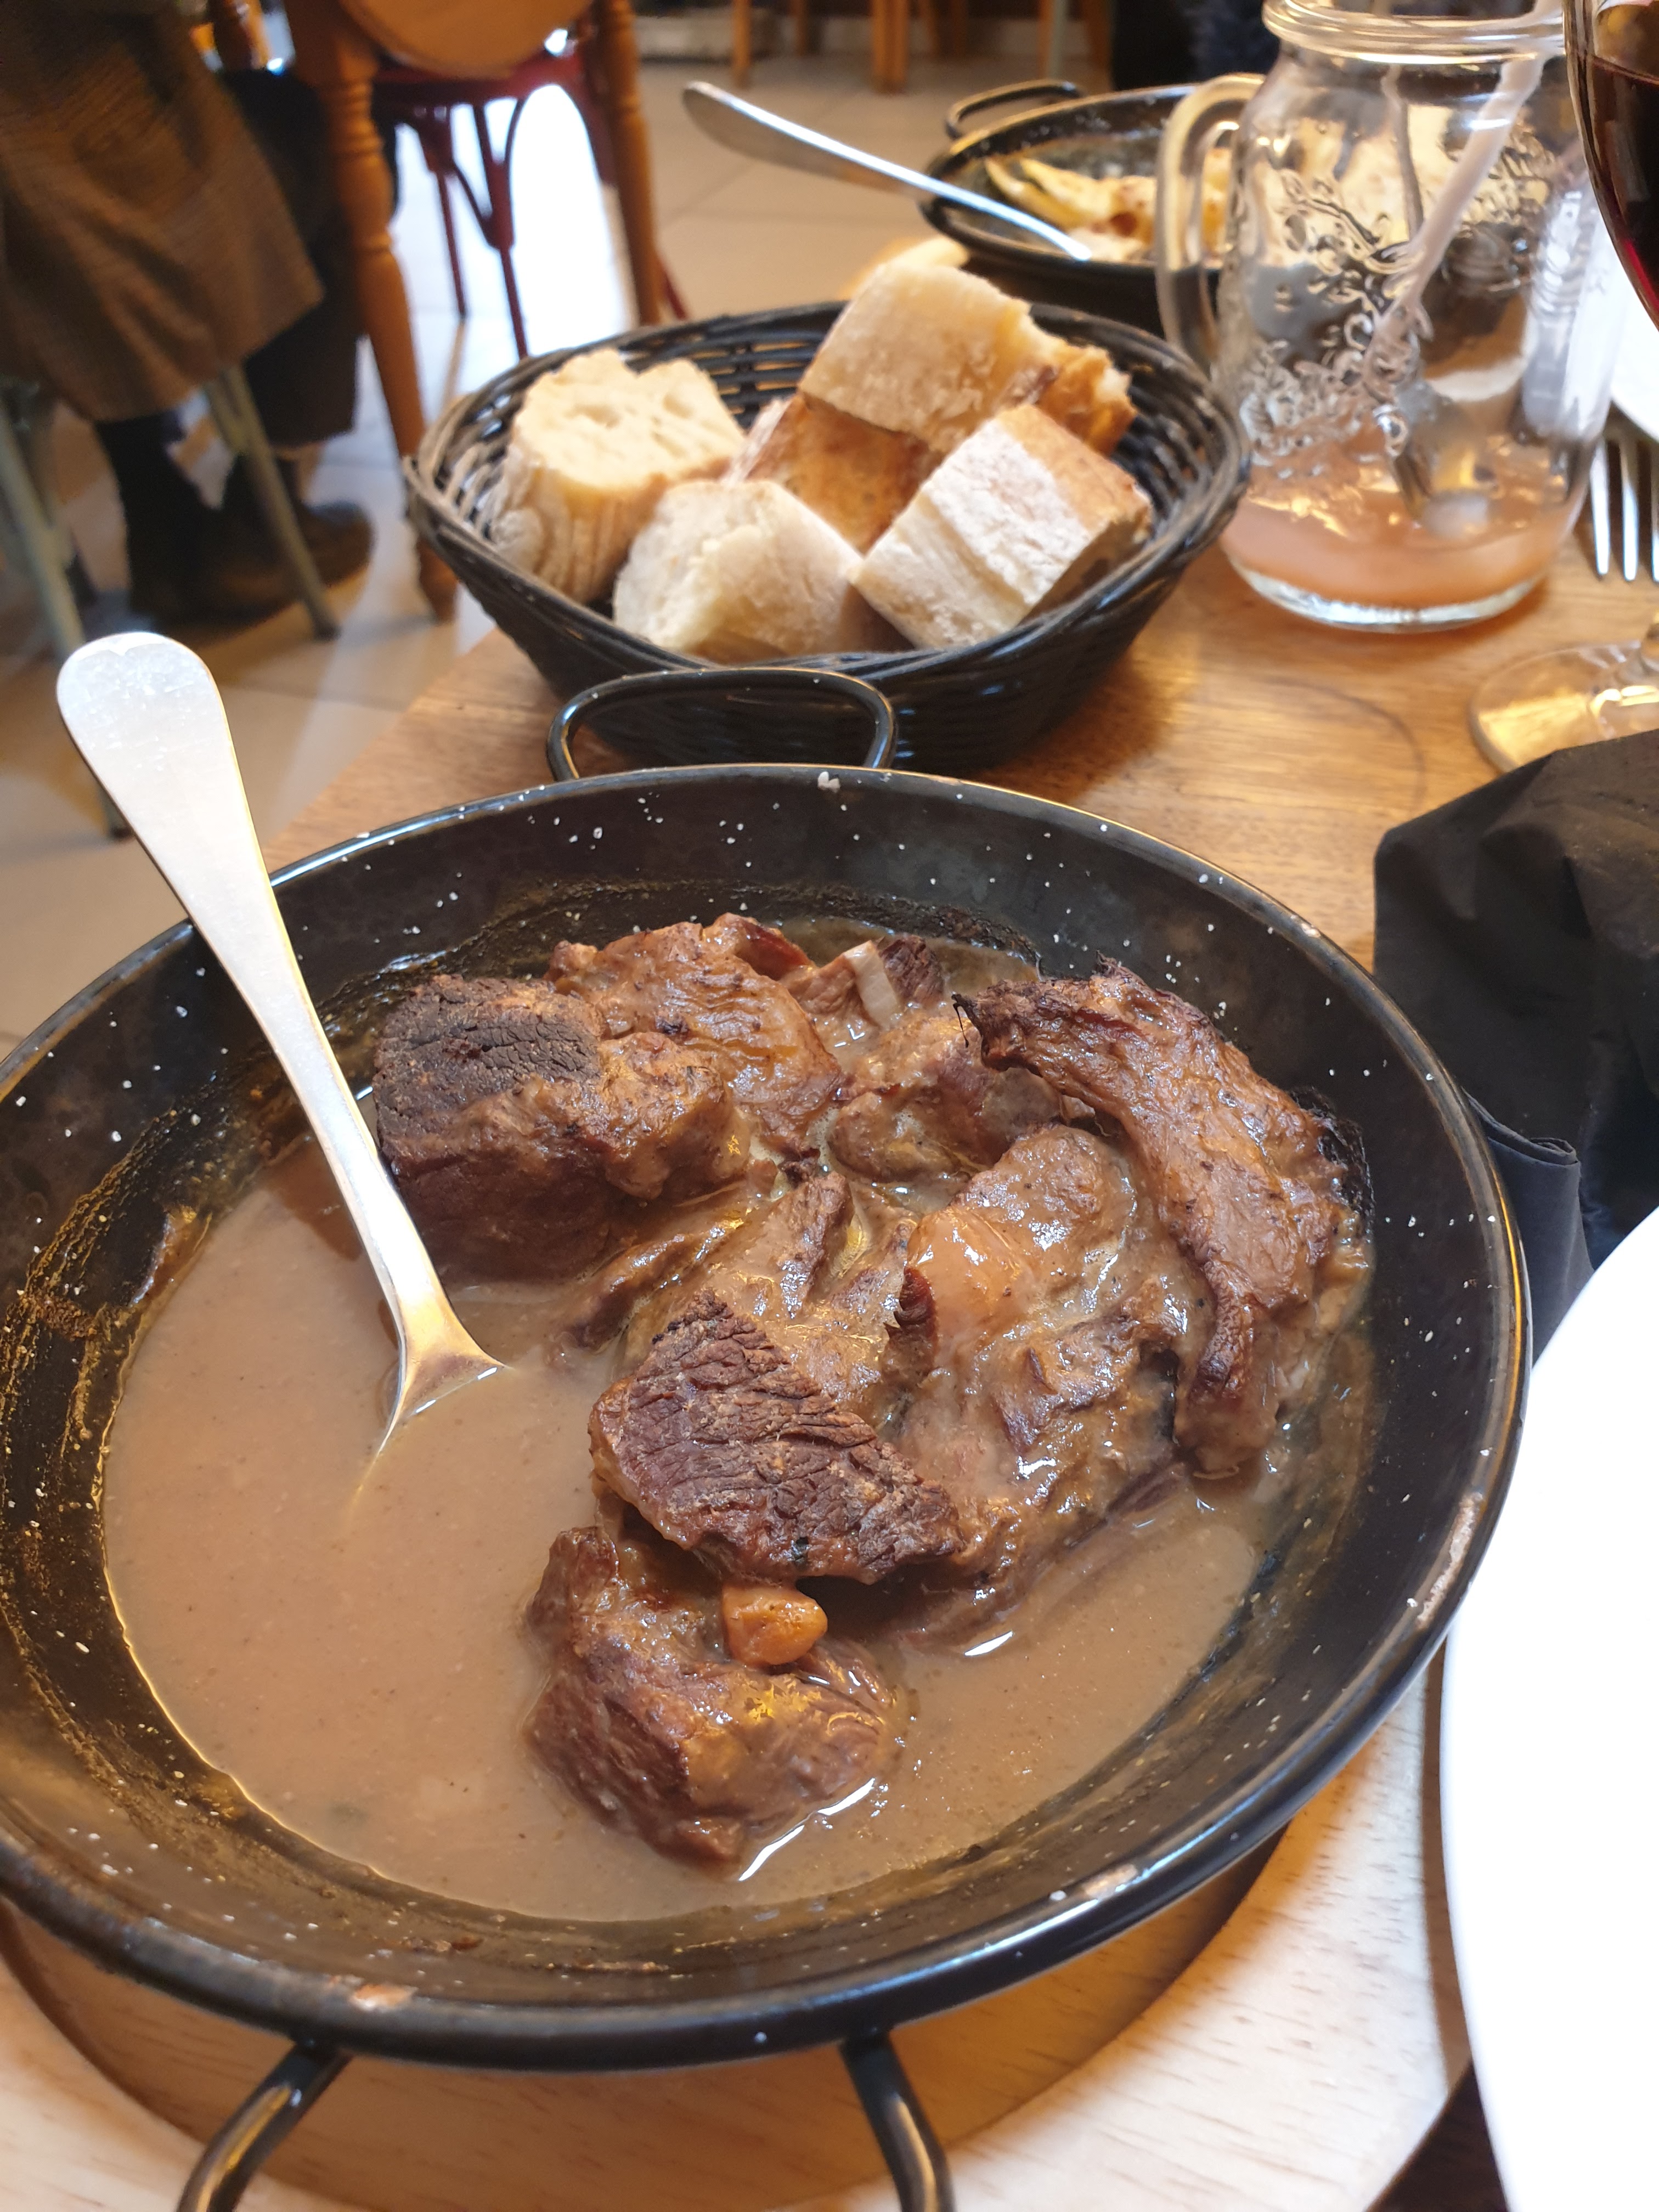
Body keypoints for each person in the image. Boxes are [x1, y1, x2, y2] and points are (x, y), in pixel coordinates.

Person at [0, 0, 371, 622]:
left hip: (23, 274)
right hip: (91, 214)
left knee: (55, 209)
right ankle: (262, 519)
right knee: (321, 131)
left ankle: (157, 517)